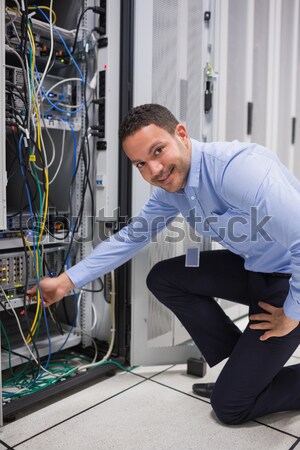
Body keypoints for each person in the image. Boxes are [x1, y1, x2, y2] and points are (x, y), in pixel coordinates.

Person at [27, 103, 300, 425]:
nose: (154, 170)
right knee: (165, 277)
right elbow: (132, 238)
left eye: (158, 151)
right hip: (254, 266)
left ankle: (244, 380)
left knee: (230, 407)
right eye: (141, 163)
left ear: (181, 134)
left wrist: (292, 315)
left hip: (288, 277)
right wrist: (65, 282)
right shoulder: (172, 189)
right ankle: (245, 366)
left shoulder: (237, 170)